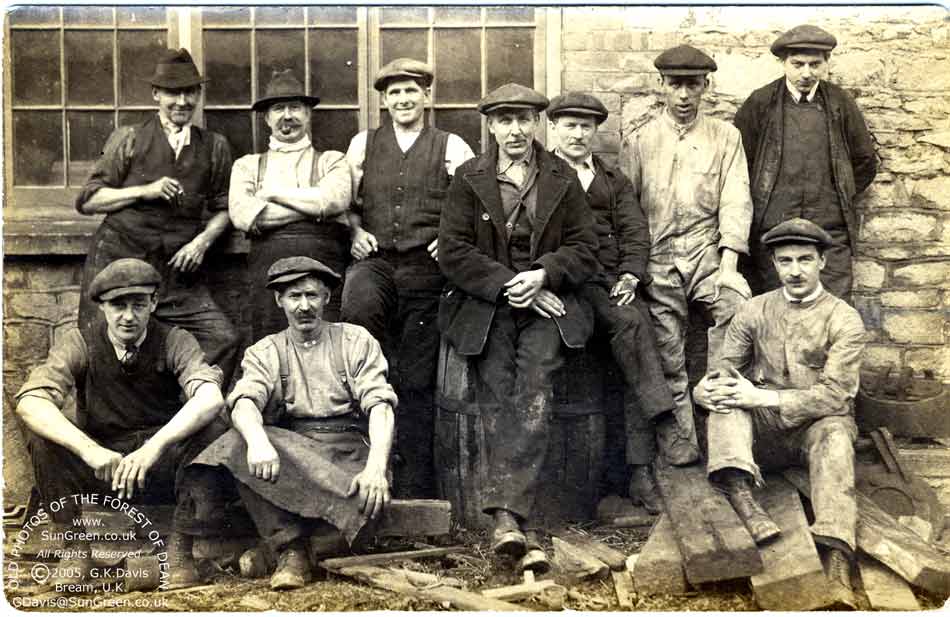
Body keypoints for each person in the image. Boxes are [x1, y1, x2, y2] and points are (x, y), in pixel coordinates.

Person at [439, 83, 599, 572]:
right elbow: (454, 251)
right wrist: (514, 284)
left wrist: (545, 274)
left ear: (537, 124)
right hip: (489, 305)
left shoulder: (561, 176)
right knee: (497, 384)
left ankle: (507, 517)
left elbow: (585, 247)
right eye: (505, 120)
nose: (515, 130)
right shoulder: (468, 177)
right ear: (491, 126)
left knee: (535, 381)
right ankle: (518, 522)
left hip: (548, 305)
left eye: (524, 119)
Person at [14, 259, 229, 588]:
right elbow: (30, 401)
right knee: (43, 438)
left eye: (138, 305)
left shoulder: (175, 340)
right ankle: (75, 548)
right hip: (106, 467)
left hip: (160, 466)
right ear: (101, 306)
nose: (128, 316)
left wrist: (154, 448)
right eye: (118, 305)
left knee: (214, 430)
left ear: (153, 303)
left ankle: (179, 549)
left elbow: (210, 397)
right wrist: (89, 451)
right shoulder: (80, 343)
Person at [190, 257, 397, 591]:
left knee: (365, 504)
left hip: (350, 457)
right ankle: (291, 549)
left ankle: (287, 552)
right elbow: (244, 401)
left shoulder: (355, 340)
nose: (304, 306)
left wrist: (375, 468)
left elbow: (380, 405)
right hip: (295, 455)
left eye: (312, 295)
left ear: (327, 298)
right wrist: (259, 442)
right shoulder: (266, 350)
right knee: (237, 443)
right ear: (279, 300)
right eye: (294, 296)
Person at [693, 218, 866, 597]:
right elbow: (723, 371)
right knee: (727, 399)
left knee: (836, 431)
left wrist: (762, 397)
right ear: (774, 264)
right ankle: (742, 496)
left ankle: (836, 552)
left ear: (822, 262)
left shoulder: (844, 318)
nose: (795, 271)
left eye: (805, 259)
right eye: (785, 261)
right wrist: (703, 392)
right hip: (764, 436)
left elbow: (836, 396)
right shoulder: (753, 310)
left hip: (814, 430)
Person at [342, 58, 475, 499]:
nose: (403, 99)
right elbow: (344, 202)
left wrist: (449, 237)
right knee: (359, 320)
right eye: (394, 92)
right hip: (377, 261)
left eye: (411, 91)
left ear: (426, 96)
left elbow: (473, 201)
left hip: (426, 268)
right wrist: (355, 232)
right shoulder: (363, 144)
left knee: (417, 375)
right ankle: (363, 460)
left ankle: (416, 482)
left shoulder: (451, 145)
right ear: (384, 100)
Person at [620, 45, 753, 466]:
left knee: (737, 310)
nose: (683, 95)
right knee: (667, 351)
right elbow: (626, 210)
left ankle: (725, 434)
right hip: (658, 259)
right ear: (661, 85)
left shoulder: (725, 137)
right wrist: (634, 269)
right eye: (675, 84)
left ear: (705, 86)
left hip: (708, 255)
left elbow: (736, 200)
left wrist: (729, 265)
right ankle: (680, 438)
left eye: (692, 85)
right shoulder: (639, 140)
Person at [75, 48, 239, 385]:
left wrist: (201, 243)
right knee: (100, 349)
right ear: (156, 95)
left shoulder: (214, 146)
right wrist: (144, 191)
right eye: (172, 93)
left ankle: (185, 409)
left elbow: (225, 208)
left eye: (190, 92)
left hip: (176, 274)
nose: (182, 101)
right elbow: (88, 200)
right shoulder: (129, 138)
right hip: (118, 260)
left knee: (223, 338)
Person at [547, 92, 675, 514]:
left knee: (634, 322)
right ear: (554, 128)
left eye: (585, 127)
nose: (577, 134)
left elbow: (635, 231)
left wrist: (631, 274)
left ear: (595, 131)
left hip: (607, 282)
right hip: (566, 283)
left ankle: (641, 467)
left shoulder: (613, 179)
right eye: (569, 126)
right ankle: (661, 413)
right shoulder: (541, 174)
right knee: (618, 330)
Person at [734, 25, 877, 302]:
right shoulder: (761, 103)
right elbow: (738, 165)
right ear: (783, 63)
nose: (807, 73)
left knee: (833, 308)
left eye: (815, 64)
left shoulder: (840, 103)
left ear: (826, 62)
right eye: (798, 64)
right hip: (773, 230)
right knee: (774, 310)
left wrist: (838, 194)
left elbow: (865, 162)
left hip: (829, 231)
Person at [229, 70, 352, 335]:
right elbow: (243, 216)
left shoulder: (332, 160)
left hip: (324, 264)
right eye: (278, 109)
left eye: (295, 108)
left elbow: (334, 200)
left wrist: (273, 194)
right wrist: (314, 207)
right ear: (267, 118)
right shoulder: (247, 166)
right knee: (270, 341)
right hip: (268, 266)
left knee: (328, 338)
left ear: (308, 114)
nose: (287, 116)